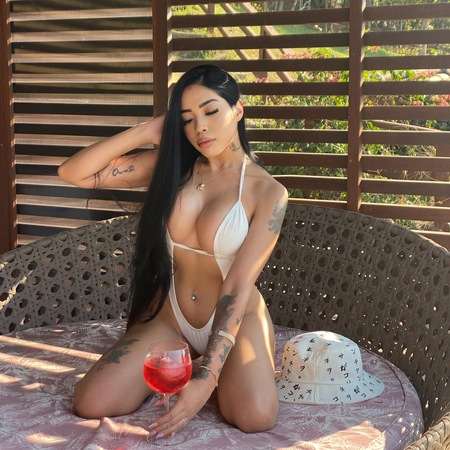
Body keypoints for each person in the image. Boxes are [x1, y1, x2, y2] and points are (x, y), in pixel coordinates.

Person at [58, 64, 288, 438]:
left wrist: (206, 378)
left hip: (236, 317)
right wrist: (148, 130)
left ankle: (227, 363)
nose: (201, 128)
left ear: (238, 110)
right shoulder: (173, 169)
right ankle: (190, 363)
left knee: (255, 417)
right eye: (187, 119)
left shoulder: (268, 193)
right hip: (172, 317)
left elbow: (237, 285)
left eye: (211, 112)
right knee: (91, 401)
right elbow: (73, 173)